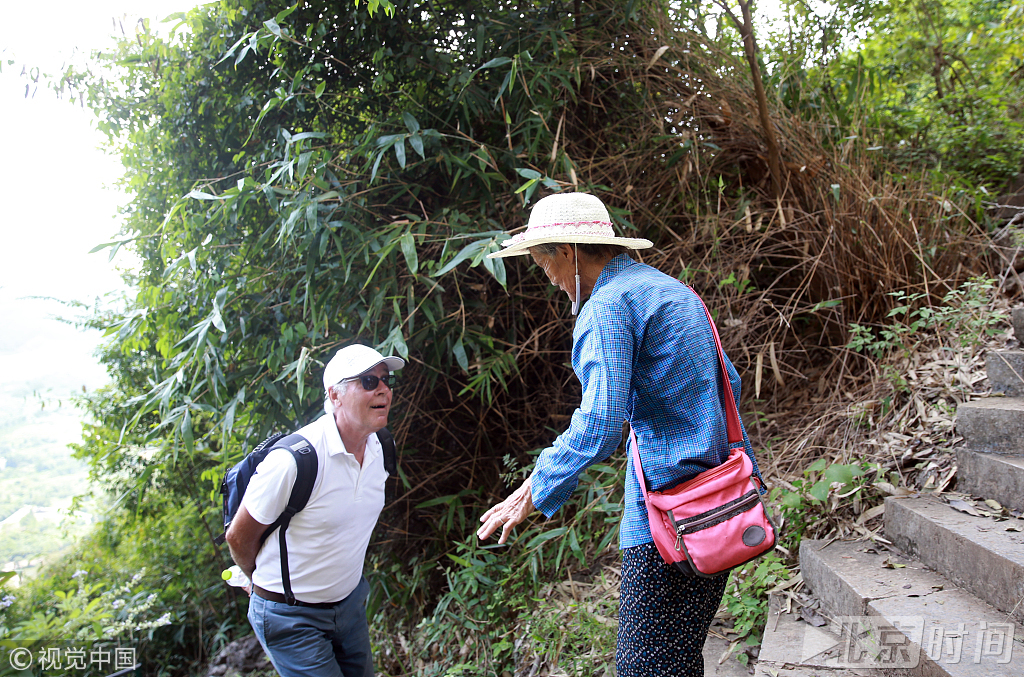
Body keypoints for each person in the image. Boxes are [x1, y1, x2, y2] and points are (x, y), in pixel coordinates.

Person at [475, 192, 765, 677]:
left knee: (644, 667)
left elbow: (601, 421)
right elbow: (728, 382)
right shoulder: (668, 289)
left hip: (668, 518)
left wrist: (536, 487)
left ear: (568, 252)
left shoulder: (607, 307)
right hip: (718, 505)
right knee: (678, 659)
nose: (544, 274)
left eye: (542, 259)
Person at [225, 344, 404, 677]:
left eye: (385, 379)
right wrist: (260, 581)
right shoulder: (294, 460)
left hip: (349, 604)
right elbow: (238, 536)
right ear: (334, 396)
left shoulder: (383, 446)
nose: (383, 389)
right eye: (367, 381)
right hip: (291, 617)